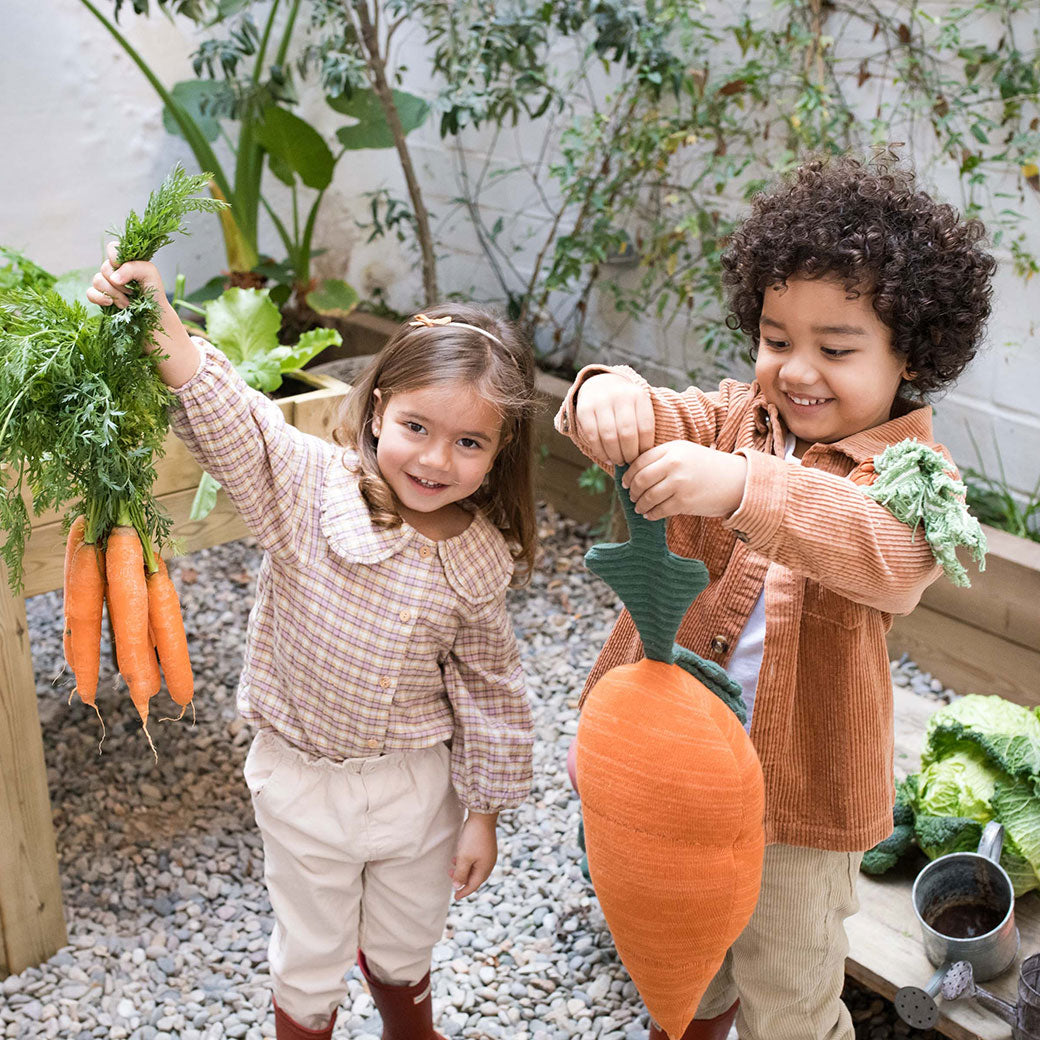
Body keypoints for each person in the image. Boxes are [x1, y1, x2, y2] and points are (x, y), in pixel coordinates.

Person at [555, 154, 996, 1040]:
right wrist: (604, 396)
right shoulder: (730, 417)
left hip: (799, 799)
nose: (797, 371)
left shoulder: (914, 477)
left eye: (835, 349)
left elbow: (886, 556)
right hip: (677, 763)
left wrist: (741, 489)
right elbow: (647, 416)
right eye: (775, 338)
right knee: (688, 952)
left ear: (910, 351)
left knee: (787, 987)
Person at [88, 249, 537, 1040]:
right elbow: (241, 425)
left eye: (469, 443)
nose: (435, 459)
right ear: (376, 411)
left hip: (415, 790)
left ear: (501, 454)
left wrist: (484, 813)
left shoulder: (476, 557)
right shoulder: (309, 490)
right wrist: (158, 321)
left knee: (406, 936)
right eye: (416, 427)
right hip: (302, 782)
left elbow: (492, 692)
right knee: (309, 953)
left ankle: (410, 1025)